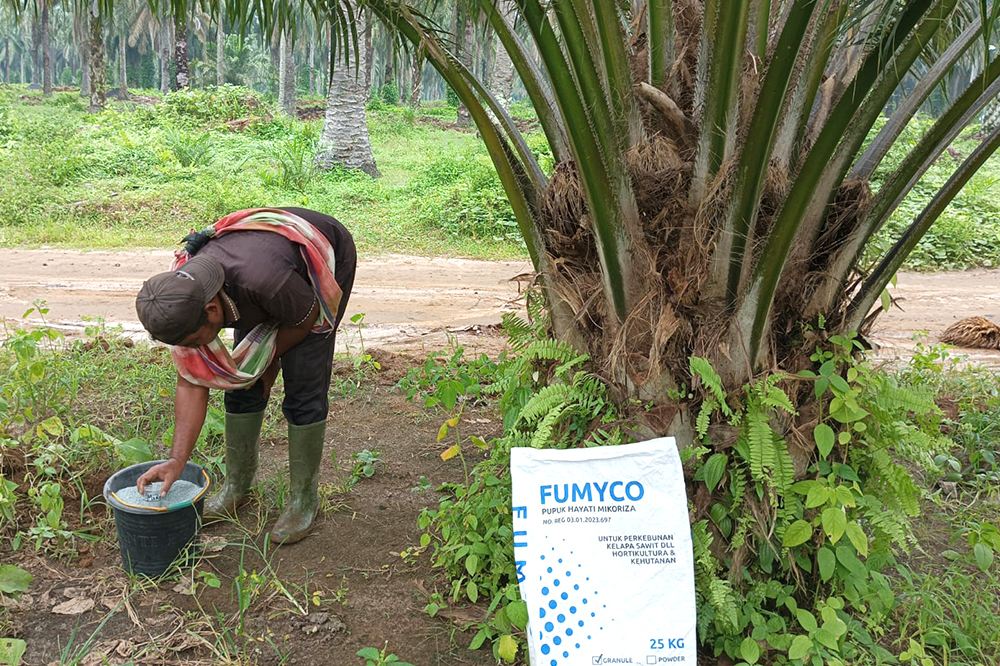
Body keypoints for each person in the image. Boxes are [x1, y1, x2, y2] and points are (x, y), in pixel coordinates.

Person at [133, 207, 356, 544]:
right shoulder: (179, 297)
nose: (195, 348)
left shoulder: (263, 282)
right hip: (254, 280)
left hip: (317, 260)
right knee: (240, 384)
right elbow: (193, 377)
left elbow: (306, 317)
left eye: (195, 341)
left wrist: (268, 360)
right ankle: (238, 486)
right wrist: (177, 461)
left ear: (211, 310)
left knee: (303, 385)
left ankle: (303, 500)